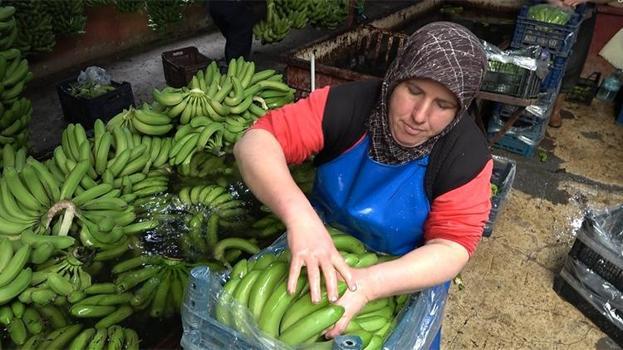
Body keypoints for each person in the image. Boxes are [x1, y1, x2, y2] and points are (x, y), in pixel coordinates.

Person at [234, 22, 493, 349]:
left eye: (443, 105)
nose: (419, 116)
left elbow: (452, 248)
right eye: (413, 90)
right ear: (396, 76)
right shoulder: (349, 105)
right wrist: (301, 218)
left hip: (403, 270)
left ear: (461, 108)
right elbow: (255, 143)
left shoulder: (466, 154)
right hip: (317, 239)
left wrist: (370, 284)